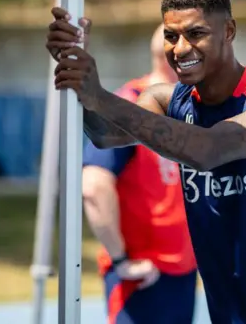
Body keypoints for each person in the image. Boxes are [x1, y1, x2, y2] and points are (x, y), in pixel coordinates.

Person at [47, 0, 246, 324]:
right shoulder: (167, 100)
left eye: (196, 34)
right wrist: (75, 71)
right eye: (171, 36)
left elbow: (210, 149)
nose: (180, 49)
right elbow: (104, 133)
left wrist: (99, 94)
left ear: (229, 31)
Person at [82, 24, 197, 324]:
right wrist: (121, 259)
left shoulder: (189, 108)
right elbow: (94, 186)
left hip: (181, 271)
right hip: (143, 276)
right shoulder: (131, 105)